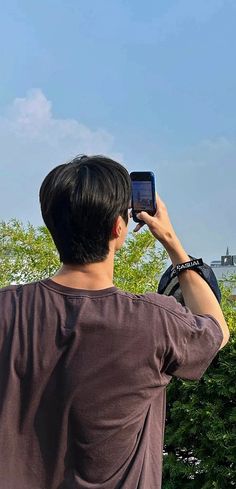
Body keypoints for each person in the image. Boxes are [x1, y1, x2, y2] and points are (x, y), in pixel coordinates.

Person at [0, 155, 229, 489]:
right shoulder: (154, 321)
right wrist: (170, 241)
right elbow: (217, 330)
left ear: (51, 222)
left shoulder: (7, 309)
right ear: (118, 228)